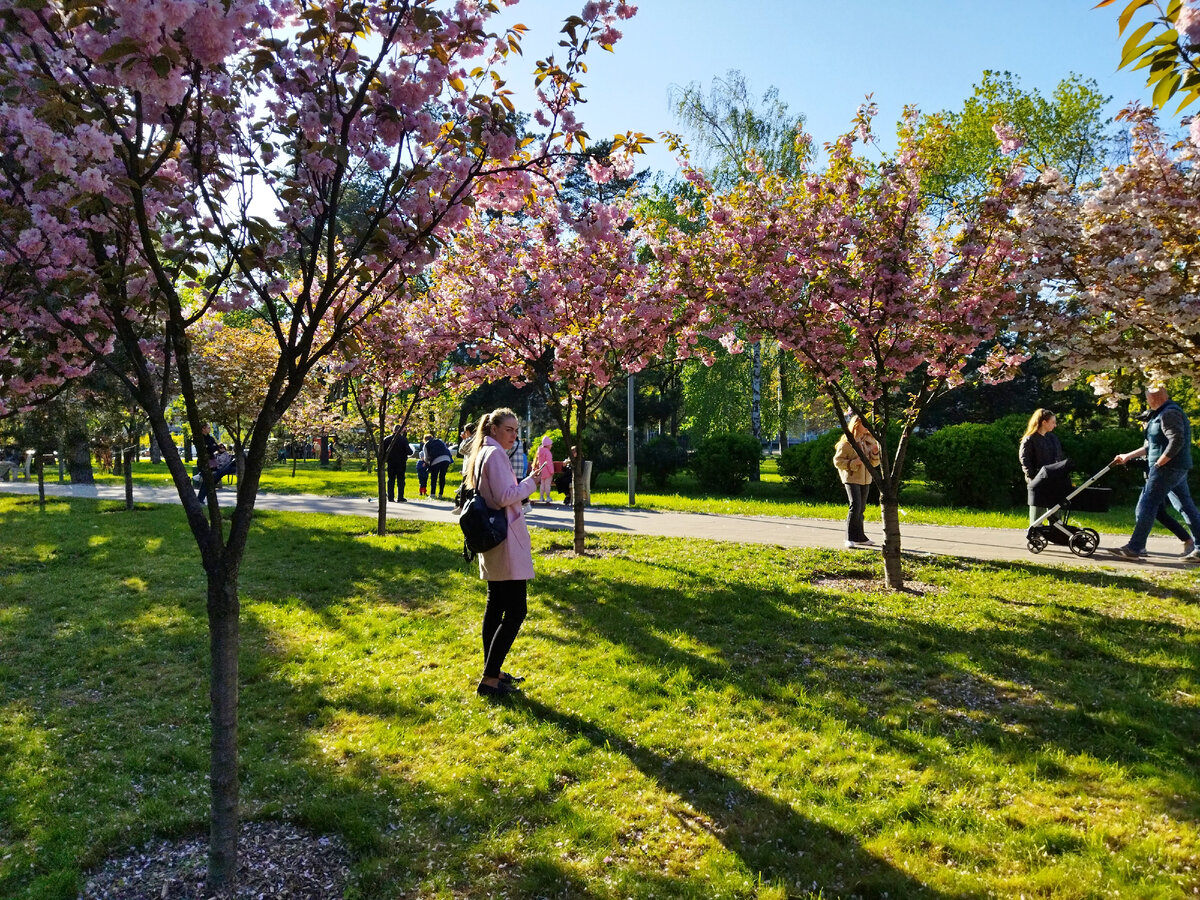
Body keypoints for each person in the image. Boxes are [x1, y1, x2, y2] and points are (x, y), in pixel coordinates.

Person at [463, 407, 546, 698]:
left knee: (496, 605)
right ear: (494, 429)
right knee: (515, 610)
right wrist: (530, 483)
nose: (515, 435)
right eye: (509, 429)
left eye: (516, 430)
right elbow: (503, 498)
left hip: (494, 540)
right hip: (506, 541)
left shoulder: (482, 453)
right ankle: (489, 679)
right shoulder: (495, 454)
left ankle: (493, 671)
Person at [1108, 386, 1200, 561]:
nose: (1148, 402)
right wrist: (1128, 456)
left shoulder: (1168, 413)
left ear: (1153, 398)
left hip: (1167, 469)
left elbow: (1177, 440)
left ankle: (1135, 548)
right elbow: (1152, 445)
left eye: (1148, 398)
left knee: (1147, 505)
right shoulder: (1162, 413)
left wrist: (1160, 462)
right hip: (1175, 469)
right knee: (1185, 507)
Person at [832, 415, 881, 549]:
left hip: (865, 479)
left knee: (861, 508)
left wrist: (875, 453)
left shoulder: (868, 442)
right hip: (851, 478)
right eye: (863, 424)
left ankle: (860, 537)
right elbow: (838, 461)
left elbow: (874, 463)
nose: (866, 426)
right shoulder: (847, 443)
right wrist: (854, 463)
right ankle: (849, 537)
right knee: (855, 506)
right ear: (856, 424)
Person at [1018, 409, 1065, 526]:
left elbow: (1058, 458)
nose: (1055, 425)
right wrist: (1033, 478)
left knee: (1055, 507)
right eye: (1053, 422)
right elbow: (1025, 461)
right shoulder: (1029, 440)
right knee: (1038, 509)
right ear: (1044, 422)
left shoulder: (1052, 439)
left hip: (1052, 479)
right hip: (1037, 480)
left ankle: (1056, 529)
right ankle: (1036, 530)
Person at [381, 424, 411, 503]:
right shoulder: (403, 440)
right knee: (400, 480)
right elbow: (409, 452)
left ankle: (390, 497)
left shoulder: (386, 439)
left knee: (391, 479)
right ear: (401, 430)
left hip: (390, 462)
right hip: (401, 462)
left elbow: (382, 452)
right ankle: (400, 497)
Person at [422, 433, 453, 499]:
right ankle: (440, 494)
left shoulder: (426, 444)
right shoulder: (440, 441)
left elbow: (426, 457)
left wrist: (427, 463)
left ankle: (432, 494)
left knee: (434, 477)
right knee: (442, 477)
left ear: (425, 440)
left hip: (436, 460)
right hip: (446, 459)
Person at [534, 436, 555, 503]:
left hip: (541, 471)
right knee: (547, 485)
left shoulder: (540, 451)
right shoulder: (548, 453)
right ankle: (548, 497)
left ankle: (541, 497)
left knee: (542, 485)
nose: (551, 445)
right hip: (548, 472)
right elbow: (549, 463)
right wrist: (552, 471)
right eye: (551, 444)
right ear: (548, 445)